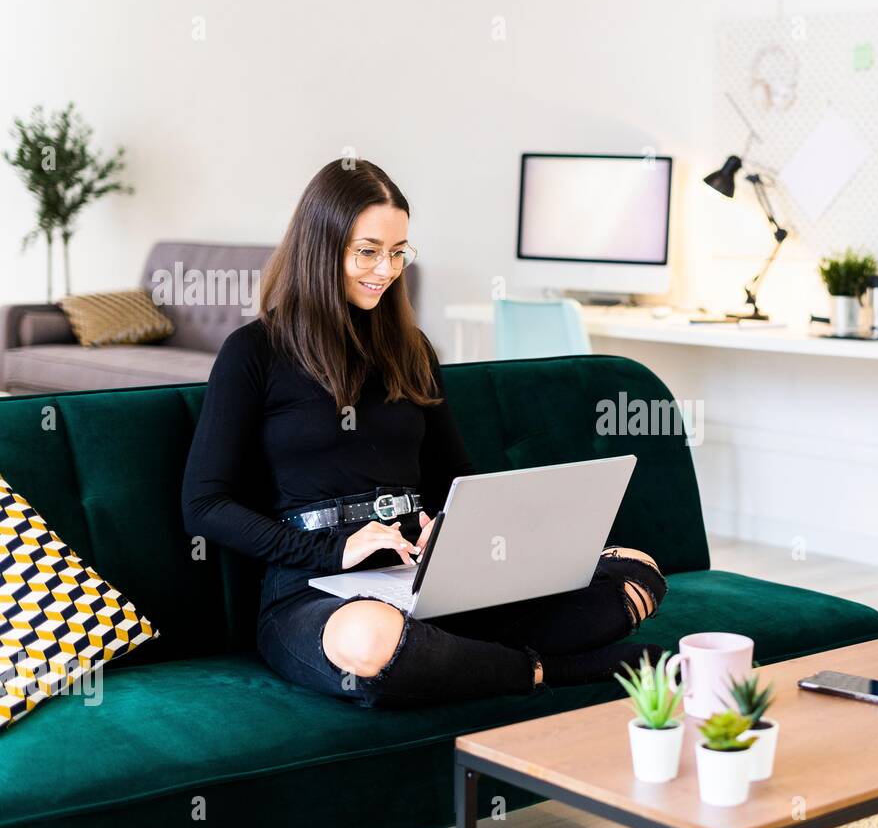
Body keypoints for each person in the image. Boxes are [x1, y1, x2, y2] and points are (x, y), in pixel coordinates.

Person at [181, 158, 667, 709]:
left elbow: (455, 480)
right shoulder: (254, 353)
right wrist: (331, 549)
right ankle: (554, 668)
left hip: (422, 580)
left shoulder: (411, 350)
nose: (385, 269)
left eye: (398, 252)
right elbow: (204, 505)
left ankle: (451, 656)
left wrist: (454, 533)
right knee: (370, 641)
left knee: (636, 572)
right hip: (312, 592)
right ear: (321, 246)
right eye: (367, 251)